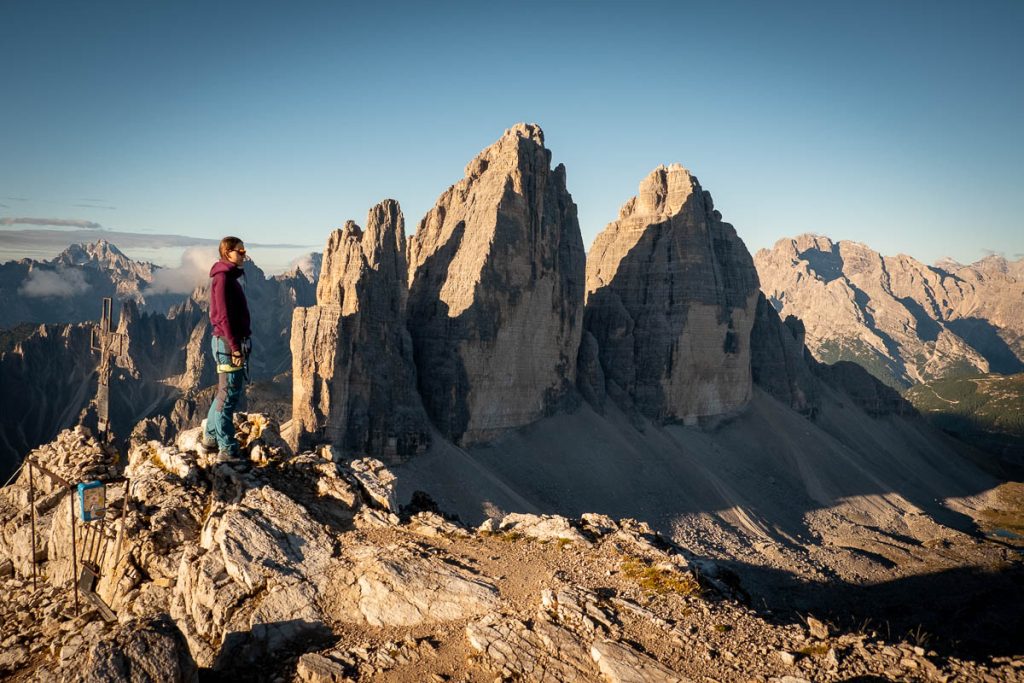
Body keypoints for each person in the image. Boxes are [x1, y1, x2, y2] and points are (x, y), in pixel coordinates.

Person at [202, 236, 252, 460]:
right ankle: (227, 448)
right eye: (240, 251)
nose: (244, 254)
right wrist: (235, 348)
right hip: (226, 343)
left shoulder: (228, 277)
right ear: (227, 252)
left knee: (223, 393)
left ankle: (211, 439)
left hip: (227, 342)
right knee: (229, 395)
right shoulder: (222, 278)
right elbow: (222, 317)